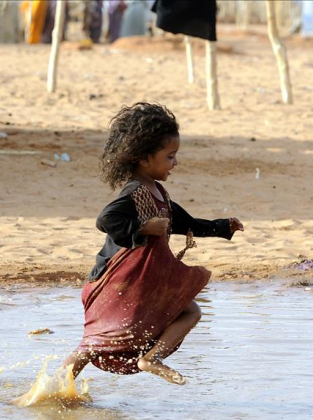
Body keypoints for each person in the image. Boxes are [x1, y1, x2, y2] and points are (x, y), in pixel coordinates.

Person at [62, 103, 243, 385]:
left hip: (139, 281)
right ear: (145, 159)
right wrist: (143, 227)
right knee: (96, 342)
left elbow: (185, 222)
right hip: (114, 281)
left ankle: (151, 359)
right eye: (170, 156)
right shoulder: (135, 192)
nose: (175, 163)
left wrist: (221, 226)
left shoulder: (158, 193)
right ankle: (56, 386)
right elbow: (105, 220)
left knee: (191, 311)